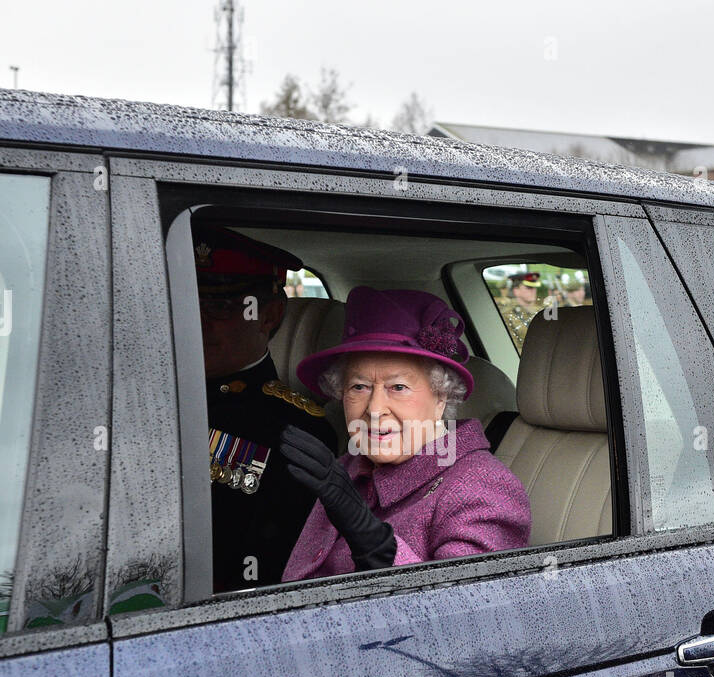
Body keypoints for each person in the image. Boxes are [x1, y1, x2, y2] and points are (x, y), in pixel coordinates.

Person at [279, 287, 531, 581]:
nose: (374, 409)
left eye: (398, 387)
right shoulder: (349, 466)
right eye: (359, 386)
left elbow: (465, 610)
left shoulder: (482, 486)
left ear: (441, 398)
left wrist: (374, 541)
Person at [195, 225, 338, 592]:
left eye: (220, 305)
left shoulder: (293, 428)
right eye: (187, 302)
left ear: (270, 315)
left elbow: (264, 572)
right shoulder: (149, 394)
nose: (197, 320)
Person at [502, 271, 542, 348]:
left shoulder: (542, 311)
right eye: (529, 288)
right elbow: (512, 348)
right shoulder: (507, 314)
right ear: (516, 291)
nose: (533, 291)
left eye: (534, 288)